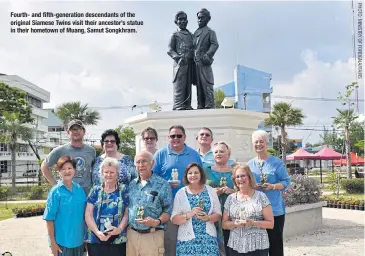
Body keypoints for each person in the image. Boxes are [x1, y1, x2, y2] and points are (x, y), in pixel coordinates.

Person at [153, 125, 203, 256]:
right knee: (171, 244)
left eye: (179, 136)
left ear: (184, 137)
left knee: (192, 243)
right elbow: (152, 179)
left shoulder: (194, 154)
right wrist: (166, 184)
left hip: (191, 205)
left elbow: (201, 177)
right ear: (168, 138)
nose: (176, 138)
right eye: (173, 136)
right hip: (168, 206)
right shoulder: (160, 154)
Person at [247, 130, 290, 256]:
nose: (259, 144)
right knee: (257, 246)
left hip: (274, 210)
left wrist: (273, 186)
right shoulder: (250, 164)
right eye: (256, 142)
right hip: (255, 210)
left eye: (261, 141)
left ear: (267, 143)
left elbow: (286, 182)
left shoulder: (276, 163)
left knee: (275, 244)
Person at [127, 151, 173, 256]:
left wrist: (157, 221)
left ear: (152, 163)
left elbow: (168, 210)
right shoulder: (132, 184)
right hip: (132, 235)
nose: (141, 165)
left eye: (144, 161)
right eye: (138, 162)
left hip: (152, 235)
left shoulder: (162, 184)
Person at [222, 165, 274, 256]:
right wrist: (235, 223)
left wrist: (253, 223)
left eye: (243, 176)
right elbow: (224, 224)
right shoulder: (230, 199)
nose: (240, 179)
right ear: (234, 180)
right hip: (235, 245)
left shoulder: (261, 197)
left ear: (249, 177)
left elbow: (270, 224)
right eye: (237, 177)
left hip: (258, 245)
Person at [171, 163, 221, 256]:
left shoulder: (211, 191)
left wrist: (208, 218)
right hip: (186, 242)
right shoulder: (180, 193)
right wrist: (190, 214)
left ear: (201, 174)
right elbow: (174, 219)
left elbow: (218, 214)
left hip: (208, 241)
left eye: (196, 173)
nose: (193, 175)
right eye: (190, 173)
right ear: (186, 176)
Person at [85, 157, 129, 255]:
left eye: (112, 172)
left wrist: (120, 229)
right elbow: (88, 213)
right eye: (106, 172)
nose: (108, 175)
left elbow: (127, 213)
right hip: (96, 238)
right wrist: (97, 232)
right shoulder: (95, 190)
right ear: (102, 173)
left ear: (117, 174)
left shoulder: (124, 190)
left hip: (118, 239)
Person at [43, 156, 86, 256]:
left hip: (79, 242)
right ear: (59, 172)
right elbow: (49, 219)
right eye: (63, 169)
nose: (67, 171)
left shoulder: (79, 190)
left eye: (70, 168)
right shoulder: (55, 192)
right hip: (62, 243)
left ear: (74, 170)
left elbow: (84, 216)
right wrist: (53, 243)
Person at [41, 119, 96, 195]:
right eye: (73, 129)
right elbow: (44, 166)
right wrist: (55, 185)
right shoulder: (60, 150)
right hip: (66, 195)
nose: (76, 131)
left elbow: (94, 171)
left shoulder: (91, 151)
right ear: (68, 132)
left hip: (86, 195)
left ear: (84, 131)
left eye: (79, 129)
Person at [206, 141, 235, 255]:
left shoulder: (236, 171)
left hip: (232, 212)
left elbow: (244, 190)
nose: (219, 154)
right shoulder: (206, 171)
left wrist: (232, 191)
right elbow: (200, 190)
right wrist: (213, 193)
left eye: (222, 151)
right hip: (212, 212)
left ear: (228, 154)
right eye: (216, 152)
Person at [168, 11, 194, 110]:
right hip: (180, 64)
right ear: (176, 21)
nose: (183, 21)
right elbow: (170, 50)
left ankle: (187, 105)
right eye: (180, 19)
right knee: (180, 86)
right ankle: (178, 106)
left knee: (188, 86)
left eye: (184, 19)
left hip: (190, 63)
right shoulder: (175, 35)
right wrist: (178, 58)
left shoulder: (191, 35)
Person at [193, 8, 219, 109]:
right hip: (195, 63)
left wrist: (208, 55)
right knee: (198, 85)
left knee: (207, 83)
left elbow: (215, 44)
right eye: (198, 18)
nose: (199, 20)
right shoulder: (195, 33)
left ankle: (209, 104)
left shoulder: (210, 32)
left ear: (208, 18)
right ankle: (200, 104)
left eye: (202, 18)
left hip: (204, 62)